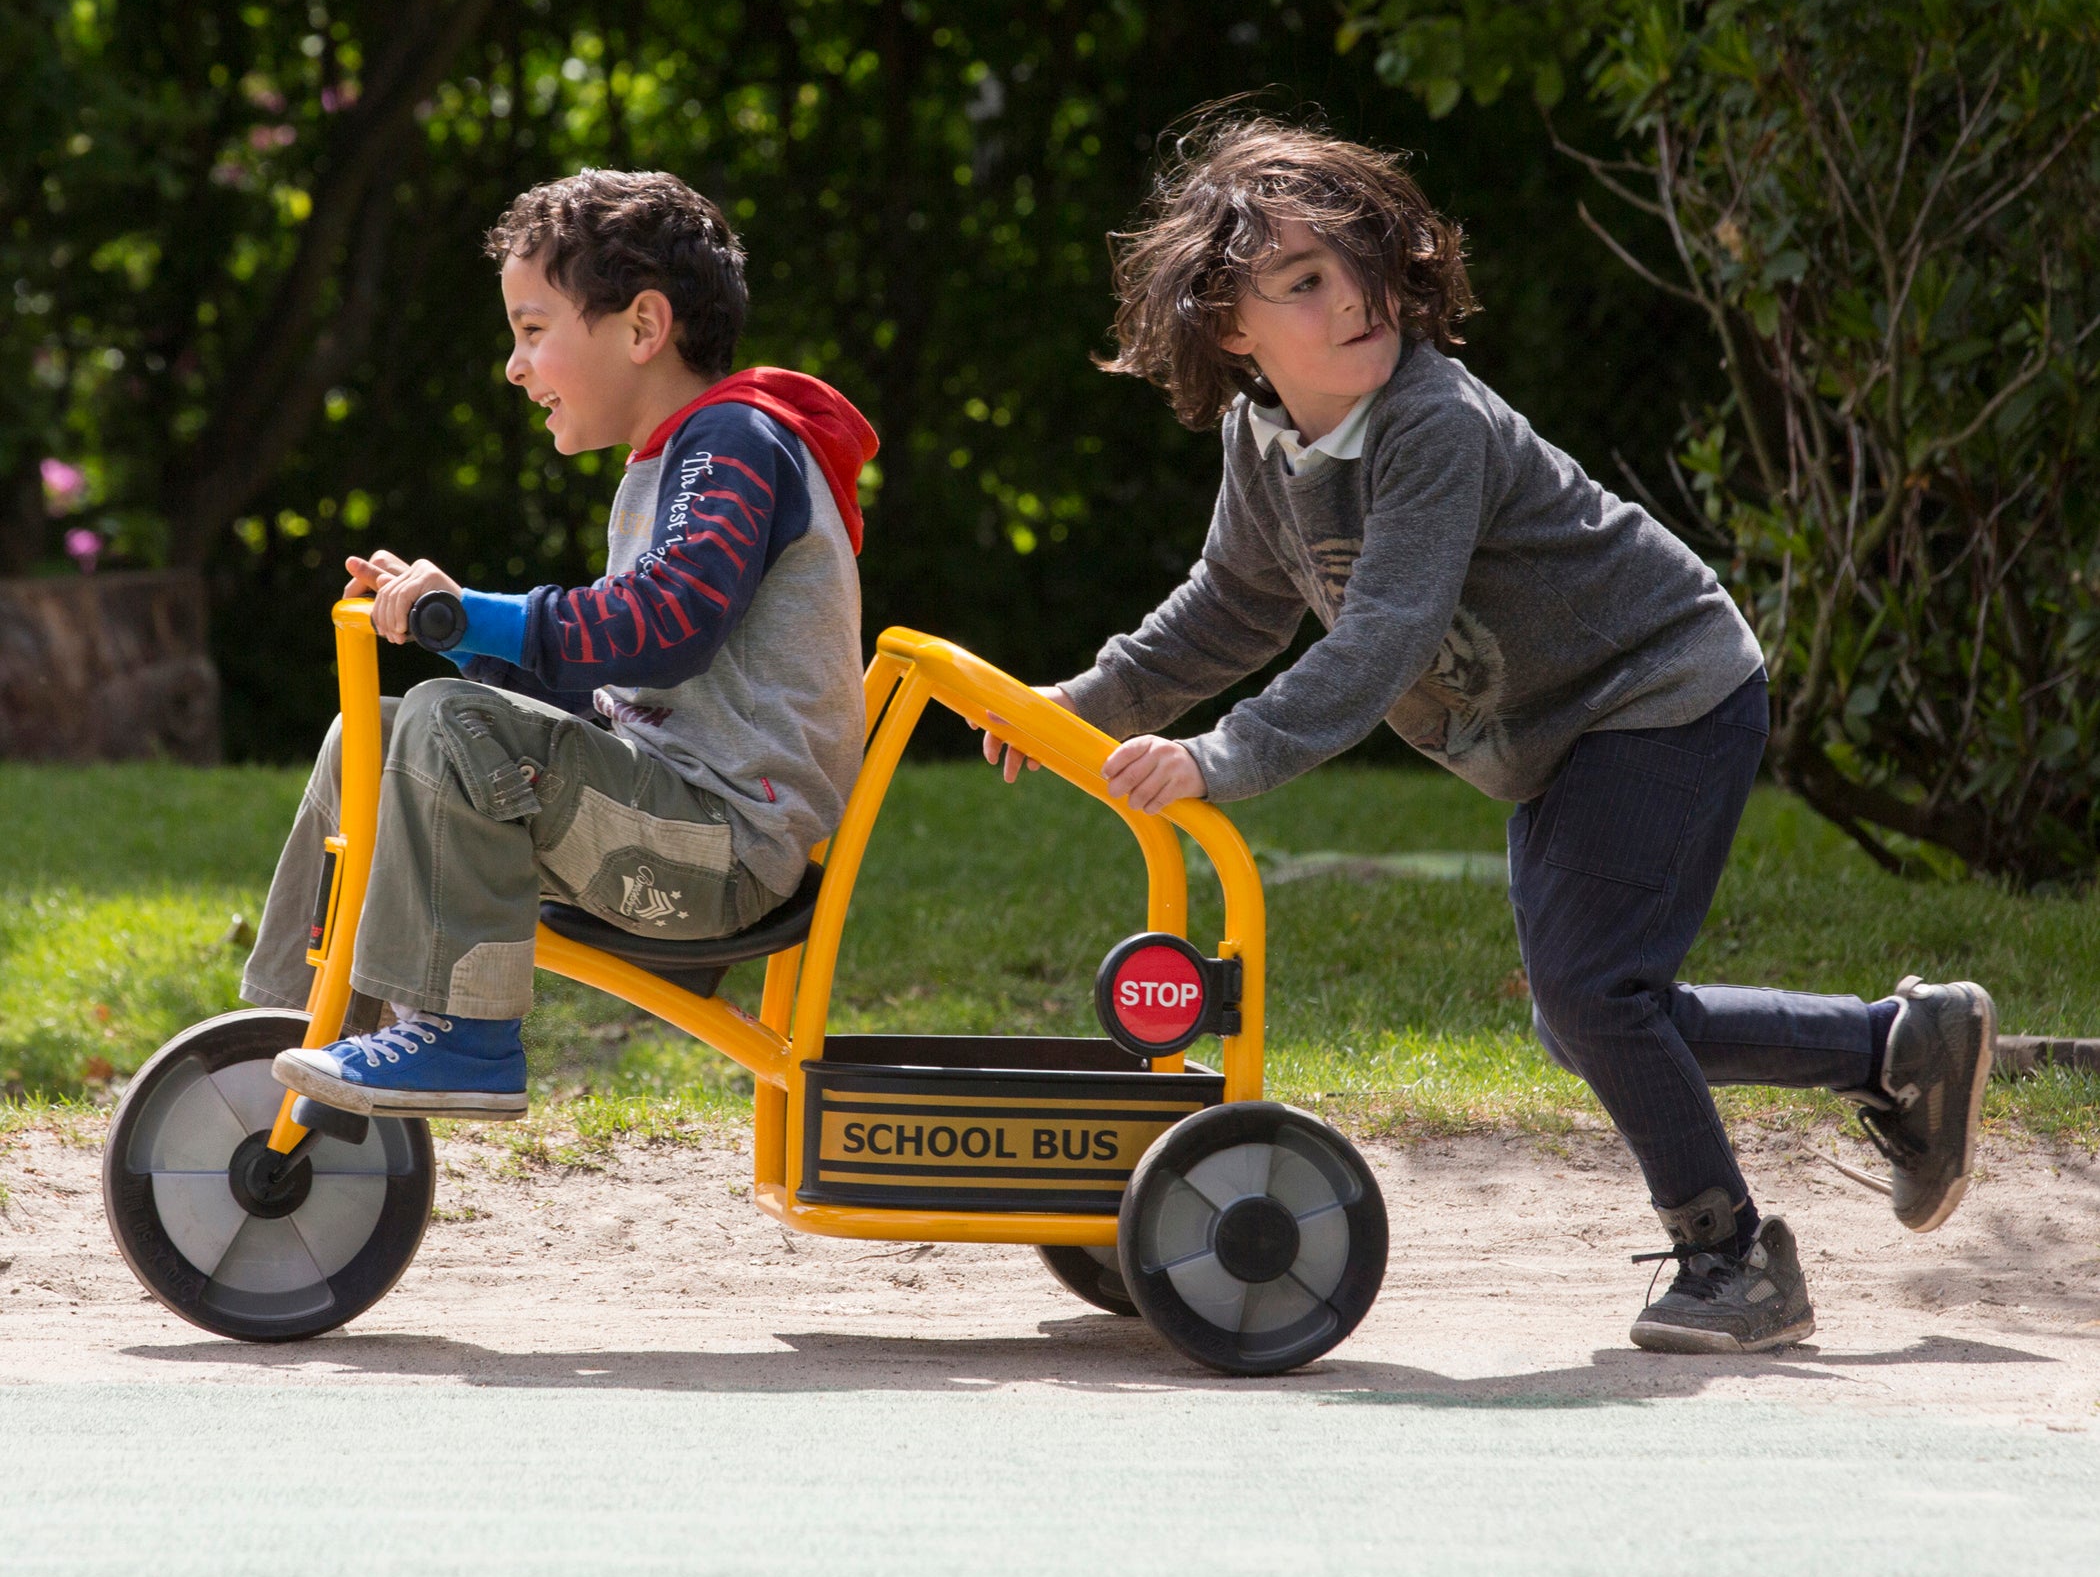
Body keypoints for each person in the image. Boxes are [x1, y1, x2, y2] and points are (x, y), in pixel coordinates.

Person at [985, 116, 1995, 1354]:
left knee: (1593, 991)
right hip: (1560, 731)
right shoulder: (1267, 440)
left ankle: (1733, 1258)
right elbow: (1231, 609)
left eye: (1362, 261)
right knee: (1584, 1013)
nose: (1352, 296)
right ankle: (1899, 1049)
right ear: (1228, 322)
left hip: (1660, 689)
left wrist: (1218, 756)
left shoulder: (1429, 420)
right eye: (1303, 281)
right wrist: (1086, 705)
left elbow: (1383, 643)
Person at [254, 169, 876, 1121]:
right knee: (369, 739)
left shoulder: (736, 441)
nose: (515, 365)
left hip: (724, 849)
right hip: (666, 815)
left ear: (641, 328)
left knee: (442, 723)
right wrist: (476, 646)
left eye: (533, 330)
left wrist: (469, 618)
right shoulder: (688, 454)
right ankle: (294, 1027)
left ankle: (463, 1039)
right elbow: (630, 688)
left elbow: (666, 625)